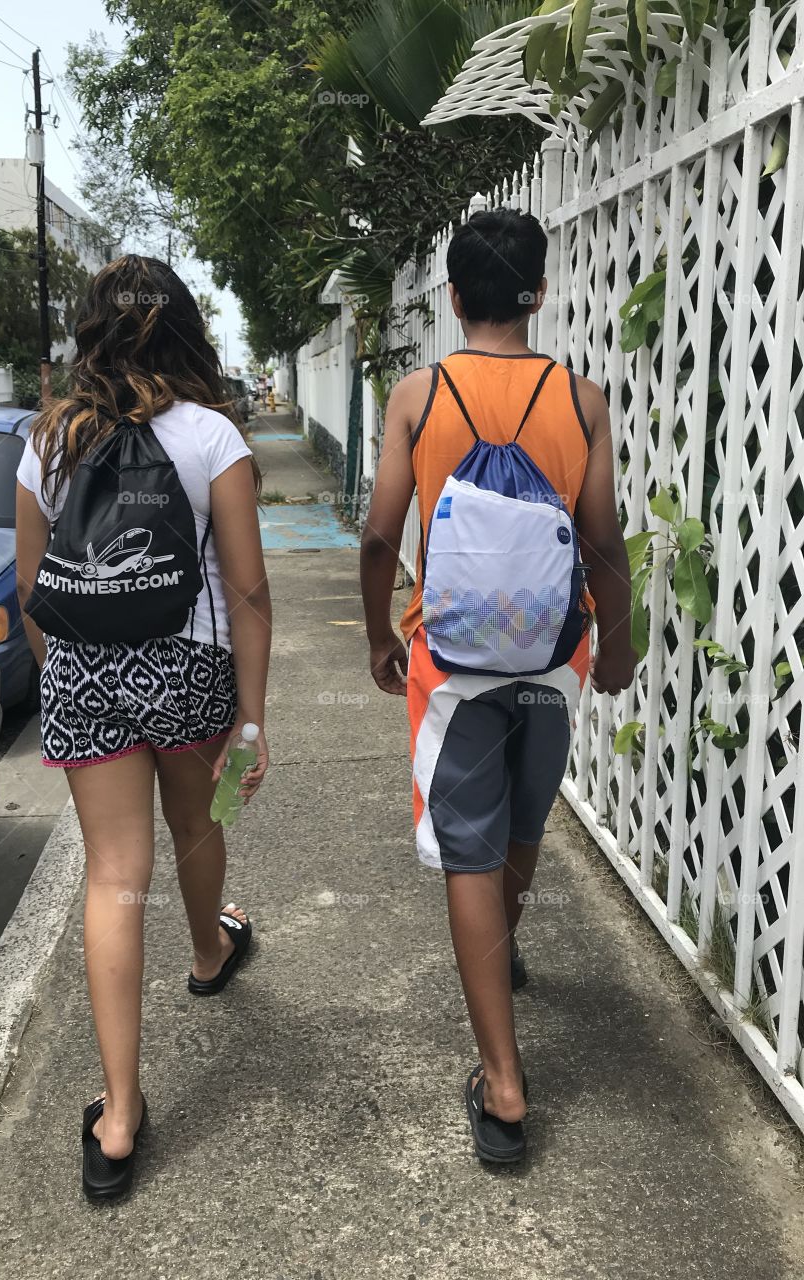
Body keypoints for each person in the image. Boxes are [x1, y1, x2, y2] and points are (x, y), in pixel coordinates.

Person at [360, 208, 634, 1163]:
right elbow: (604, 546)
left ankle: (505, 1086)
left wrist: (375, 637)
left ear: (451, 298)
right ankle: (504, 950)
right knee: (522, 827)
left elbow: (380, 537)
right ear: (539, 293)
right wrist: (622, 650)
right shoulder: (583, 399)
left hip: (454, 665)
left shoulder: (418, 397)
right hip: (556, 656)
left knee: (468, 850)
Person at [15, 254, 271, 1200]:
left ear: (95, 329)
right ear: (182, 329)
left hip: (88, 669)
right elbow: (248, 593)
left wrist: (70, 680)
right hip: (191, 667)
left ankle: (118, 1118)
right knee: (198, 824)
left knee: (115, 876)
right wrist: (252, 718)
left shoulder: (48, 439)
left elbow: (34, 587)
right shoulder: (213, 437)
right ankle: (210, 952)